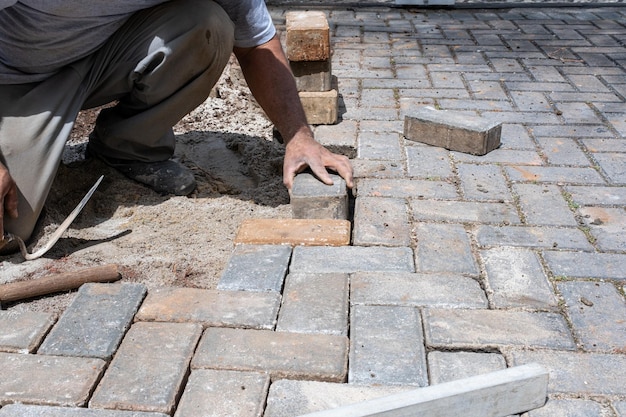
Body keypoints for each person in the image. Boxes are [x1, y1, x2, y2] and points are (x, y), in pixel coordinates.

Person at [0, 0, 353, 250]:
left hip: (99, 58)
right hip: (14, 82)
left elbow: (257, 43)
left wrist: (300, 136)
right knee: (10, 228)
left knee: (207, 23)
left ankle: (127, 146)